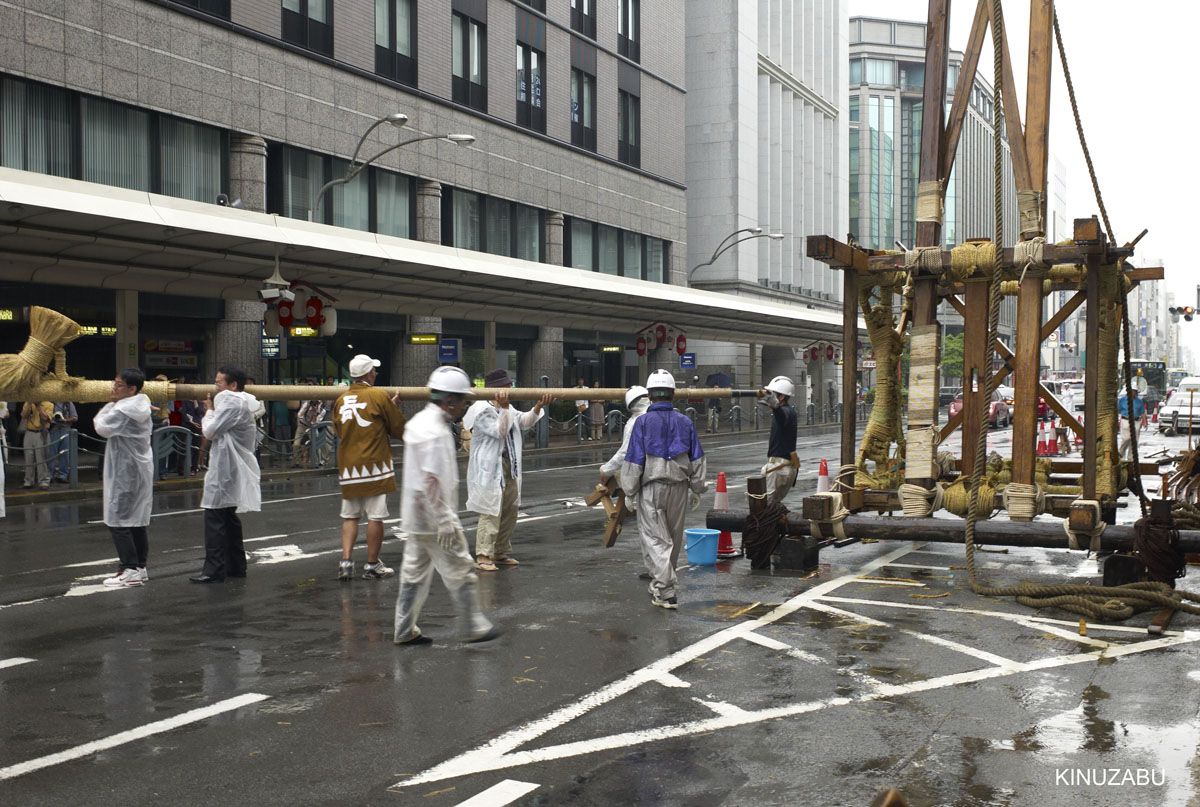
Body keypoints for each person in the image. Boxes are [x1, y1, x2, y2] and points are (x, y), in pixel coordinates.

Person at [393, 366, 499, 646]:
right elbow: (431, 480)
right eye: (462, 400)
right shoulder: (435, 431)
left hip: (416, 515)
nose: (465, 405)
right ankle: (472, 625)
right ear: (449, 400)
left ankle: (403, 629)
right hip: (433, 516)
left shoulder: (420, 422)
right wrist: (444, 520)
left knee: (413, 571)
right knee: (460, 566)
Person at [619, 370, 707, 610]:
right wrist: (697, 487)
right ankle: (661, 583)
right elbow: (697, 456)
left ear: (649, 395)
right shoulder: (685, 422)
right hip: (679, 488)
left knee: (656, 540)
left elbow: (634, 459)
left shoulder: (642, 422)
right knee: (673, 538)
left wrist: (629, 491)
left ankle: (665, 591)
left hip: (652, 489)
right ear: (673, 395)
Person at [464, 369, 552, 572]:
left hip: (509, 465)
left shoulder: (508, 407)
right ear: (495, 389)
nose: (509, 389)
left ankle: (499, 550)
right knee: (490, 511)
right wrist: (504, 409)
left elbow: (524, 422)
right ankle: (483, 554)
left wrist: (538, 407)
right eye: (506, 386)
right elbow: (499, 431)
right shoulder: (481, 409)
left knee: (510, 509)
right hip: (488, 468)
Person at [333, 354, 407, 581]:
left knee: (350, 516)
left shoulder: (341, 400)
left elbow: (338, 430)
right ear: (369, 374)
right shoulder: (378, 395)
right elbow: (397, 428)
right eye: (373, 371)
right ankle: (372, 564)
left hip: (349, 465)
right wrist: (391, 408)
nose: (375, 374)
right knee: (375, 516)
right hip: (375, 464)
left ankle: (346, 562)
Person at [190, 366, 261, 583]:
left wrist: (209, 411)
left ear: (232, 385)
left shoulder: (231, 401)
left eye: (219, 383)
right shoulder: (242, 401)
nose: (216, 387)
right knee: (228, 518)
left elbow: (210, 431)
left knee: (215, 516)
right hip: (231, 466)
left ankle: (214, 569)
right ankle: (235, 566)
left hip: (226, 468)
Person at [95, 369, 154, 588]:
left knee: (118, 520)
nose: (114, 388)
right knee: (136, 520)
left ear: (132, 389)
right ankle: (139, 566)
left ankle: (129, 567)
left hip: (125, 471)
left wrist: (109, 405)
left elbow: (102, 427)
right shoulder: (139, 404)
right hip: (137, 469)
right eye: (114, 383)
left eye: (119, 385)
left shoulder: (124, 409)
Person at [601, 385, 651, 578]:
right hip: (674, 480)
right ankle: (665, 569)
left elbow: (626, 454)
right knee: (668, 529)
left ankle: (657, 572)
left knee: (649, 528)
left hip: (645, 481)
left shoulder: (635, 422)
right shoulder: (667, 415)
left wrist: (605, 470)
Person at [760, 376, 799, 504]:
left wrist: (775, 407)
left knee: (764, 507)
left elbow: (782, 417)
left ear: (782, 397)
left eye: (773, 394)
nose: (769, 397)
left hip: (778, 468)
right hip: (786, 467)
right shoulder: (789, 411)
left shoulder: (785, 412)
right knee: (774, 507)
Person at [20, 400, 53, 490]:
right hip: (29, 432)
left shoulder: (48, 404)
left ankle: (44, 481)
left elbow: (45, 418)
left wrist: (39, 407)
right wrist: (29, 404)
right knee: (28, 457)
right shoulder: (27, 403)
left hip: (41, 433)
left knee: (41, 458)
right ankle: (28, 481)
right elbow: (23, 416)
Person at [47, 400, 78, 483]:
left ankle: (63, 475)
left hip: (65, 429)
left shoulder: (68, 403)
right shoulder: (51, 402)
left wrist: (65, 420)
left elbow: (75, 417)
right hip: (54, 429)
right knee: (51, 453)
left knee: (65, 454)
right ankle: (50, 475)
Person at [1118, 387, 1147, 461]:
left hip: (1136, 421)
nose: (1134, 393)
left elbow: (1142, 412)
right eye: (1132, 391)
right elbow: (1118, 410)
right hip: (1125, 420)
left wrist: (1145, 422)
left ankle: (1131, 458)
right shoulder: (1123, 400)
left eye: (1135, 391)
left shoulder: (1139, 401)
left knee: (1134, 441)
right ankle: (1121, 455)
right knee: (1126, 438)